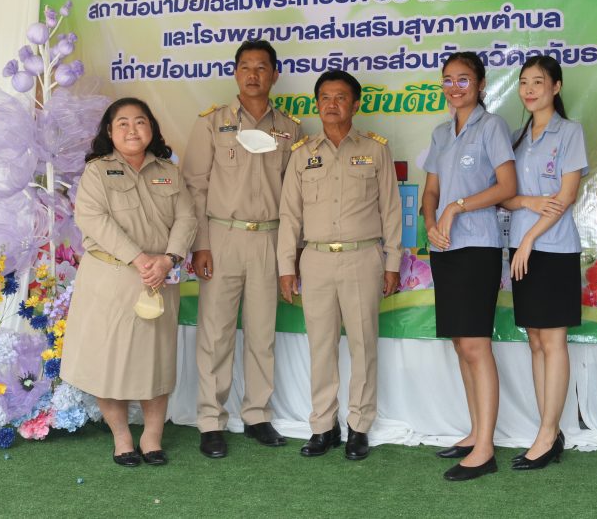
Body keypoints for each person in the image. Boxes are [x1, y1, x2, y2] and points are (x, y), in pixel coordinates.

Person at [182, 39, 302, 458]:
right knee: (215, 334)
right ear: (235, 73)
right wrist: (201, 244)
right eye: (246, 67)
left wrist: (290, 255)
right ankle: (211, 420)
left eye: (262, 67)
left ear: (275, 74)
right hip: (222, 237)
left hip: (269, 238)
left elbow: (294, 199)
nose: (253, 74)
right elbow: (195, 188)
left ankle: (257, 415)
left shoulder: (290, 129)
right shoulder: (213, 123)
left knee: (262, 332)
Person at [62, 98, 196, 467]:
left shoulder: (169, 171)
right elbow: (94, 219)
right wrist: (139, 259)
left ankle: (152, 437)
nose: (132, 129)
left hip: (159, 278)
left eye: (140, 121)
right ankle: (121, 437)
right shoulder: (97, 172)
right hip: (112, 279)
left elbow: (187, 218)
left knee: (156, 360)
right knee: (110, 361)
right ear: (110, 131)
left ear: (151, 128)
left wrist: (168, 259)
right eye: (122, 123)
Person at [277, 70, 402, 461]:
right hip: (315, 260)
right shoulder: (302, 154)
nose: (332, 104)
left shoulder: (375, 150)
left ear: (355, 104)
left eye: (341, 97)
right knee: (321, 347)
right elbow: (289, 216)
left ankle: (359, 427)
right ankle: (322, 426)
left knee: (363, 345)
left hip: (363, 258)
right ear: (317, 104)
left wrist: (393, 262)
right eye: (325, 98)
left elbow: (391, 210)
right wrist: (286, 266)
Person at [421, 52, 517, 481]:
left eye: (463, 79)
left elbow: (507, 187)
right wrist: (431, 222)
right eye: (448, 79)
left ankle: (485, 448)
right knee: (461, 344)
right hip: (444, 248)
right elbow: (430, 191)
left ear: (480, 84)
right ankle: (475, 432)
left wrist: (456, 207)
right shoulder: (441, 132)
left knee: (476, 345)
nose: (454, 87)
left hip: (477, 246)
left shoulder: (492, 126)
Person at [501, 55, 587, 470]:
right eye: (523, 83)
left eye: (538, 82)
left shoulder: (569, 132)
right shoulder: (516, 138)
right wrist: (527, 203)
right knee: (535, 340)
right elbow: (504, 196)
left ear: (556, 86)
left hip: (552, 249)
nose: (529, 90)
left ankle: (548, 434)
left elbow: (566, 196)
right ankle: (547, 429)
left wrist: (530, 238)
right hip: (521, 249)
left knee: (552, 341)